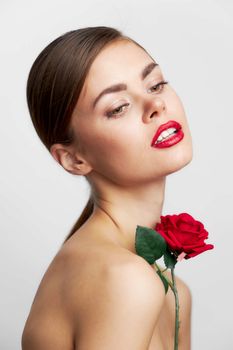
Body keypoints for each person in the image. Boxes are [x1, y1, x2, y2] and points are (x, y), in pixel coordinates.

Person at [21, 26, 192, 350]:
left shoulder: (172, 290)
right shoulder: (124, 279)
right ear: (73, 159)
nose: (155, 104)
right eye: (118, 107)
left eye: (156, 84)